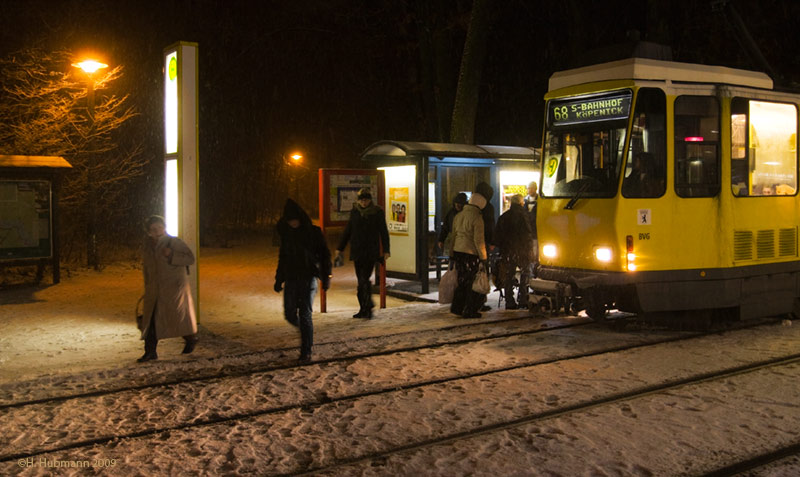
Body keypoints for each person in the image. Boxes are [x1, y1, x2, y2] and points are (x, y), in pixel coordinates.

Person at [274, 199, 332, 362]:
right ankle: (307, 333)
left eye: (294, 219)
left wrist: (326, 277)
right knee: (289, 314)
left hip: (308, 277)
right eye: (289, 220)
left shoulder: (313, 232)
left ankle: (306, 351)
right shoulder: (287, 235)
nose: (292, 223)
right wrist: (279, 279)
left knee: (305, 314)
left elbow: (325, 256)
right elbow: (283, 258)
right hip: (291, 278)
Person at [139, 215, 198, 362]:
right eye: (153, 229)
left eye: (159, 227)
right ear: (148, 232)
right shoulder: (147, 246)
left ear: (164, 228)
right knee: (152, 320)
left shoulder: (173, 242)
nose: (157, 231)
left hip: (173, 288)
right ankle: (150, 352)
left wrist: (172, 254)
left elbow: (190, 258)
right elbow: (147, 267)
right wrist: (148, 286)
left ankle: (191, 338)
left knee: (176, 318)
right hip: (155, 289)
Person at [336, 188, 390, 318]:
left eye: (366, 200)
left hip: (370, 252)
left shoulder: (377, 212)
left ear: (370, 200)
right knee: (361, 281)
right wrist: (340, 247)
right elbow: (348, 230)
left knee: (363, 279)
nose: (364, 202)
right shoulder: (355, 212)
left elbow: (383, 231)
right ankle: (364, 308)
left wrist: (386, 250)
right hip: (357, 251)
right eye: (361, 200)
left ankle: (368, 305)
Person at [450, 189, 488, 318]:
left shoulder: (458, 215)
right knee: (471, 282)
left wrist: (451, 253)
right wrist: (483, 257)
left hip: (458, 251)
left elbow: (453, 236)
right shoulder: (477, 218)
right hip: (470, 253)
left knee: (461, 280)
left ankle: (457, 307)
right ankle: (470, 309)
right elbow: (479, 240)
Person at [495, 194, 534, 310]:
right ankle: (523, 299)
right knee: (525, 273)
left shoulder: (504, 217)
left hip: (508, 251)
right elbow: (528, 234)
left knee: (509, 275)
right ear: (521, 203)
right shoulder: (525, 216)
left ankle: (509, 301)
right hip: (522, 250)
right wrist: (530, 250)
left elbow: (497, 236)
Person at [437, 192, 468, 257]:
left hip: (460, 240)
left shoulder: (452, 213)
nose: (458, 205)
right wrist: (441, 239)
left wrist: (441, 240)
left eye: (459, 203)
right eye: (457, 203)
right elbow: (445, 227)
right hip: (457, 240)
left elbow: (445, 227)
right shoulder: (452, 213)